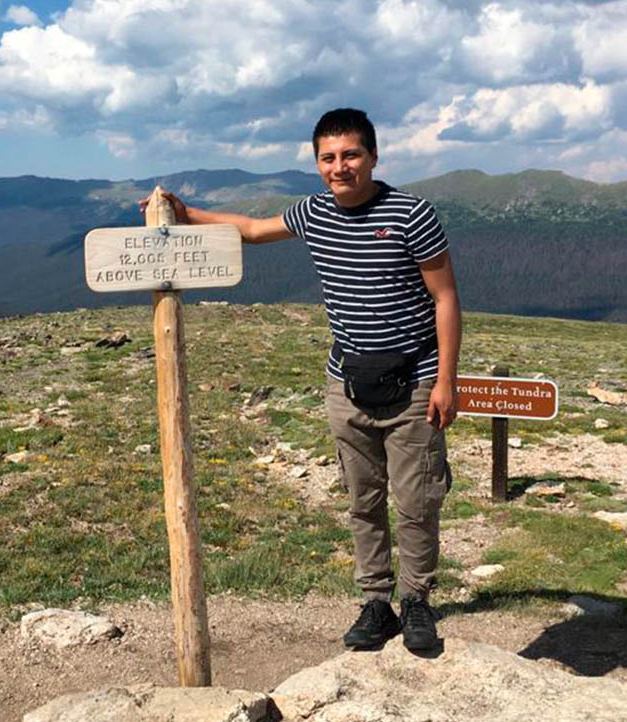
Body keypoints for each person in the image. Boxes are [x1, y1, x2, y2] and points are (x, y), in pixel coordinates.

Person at [147, 108, 461, 652]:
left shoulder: (412, 214)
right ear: (317, 164)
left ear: (373, 156)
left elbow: (446, 298)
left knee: (415, 503)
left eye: (351, 155)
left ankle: (416, 601)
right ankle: (376, 602)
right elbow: (249, 230)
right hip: (347, 384)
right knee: (363, 501)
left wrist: (446, 382)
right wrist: (183, 210)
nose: (340, 167)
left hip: (413, 384)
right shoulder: (314, 212)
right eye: (328, 158)